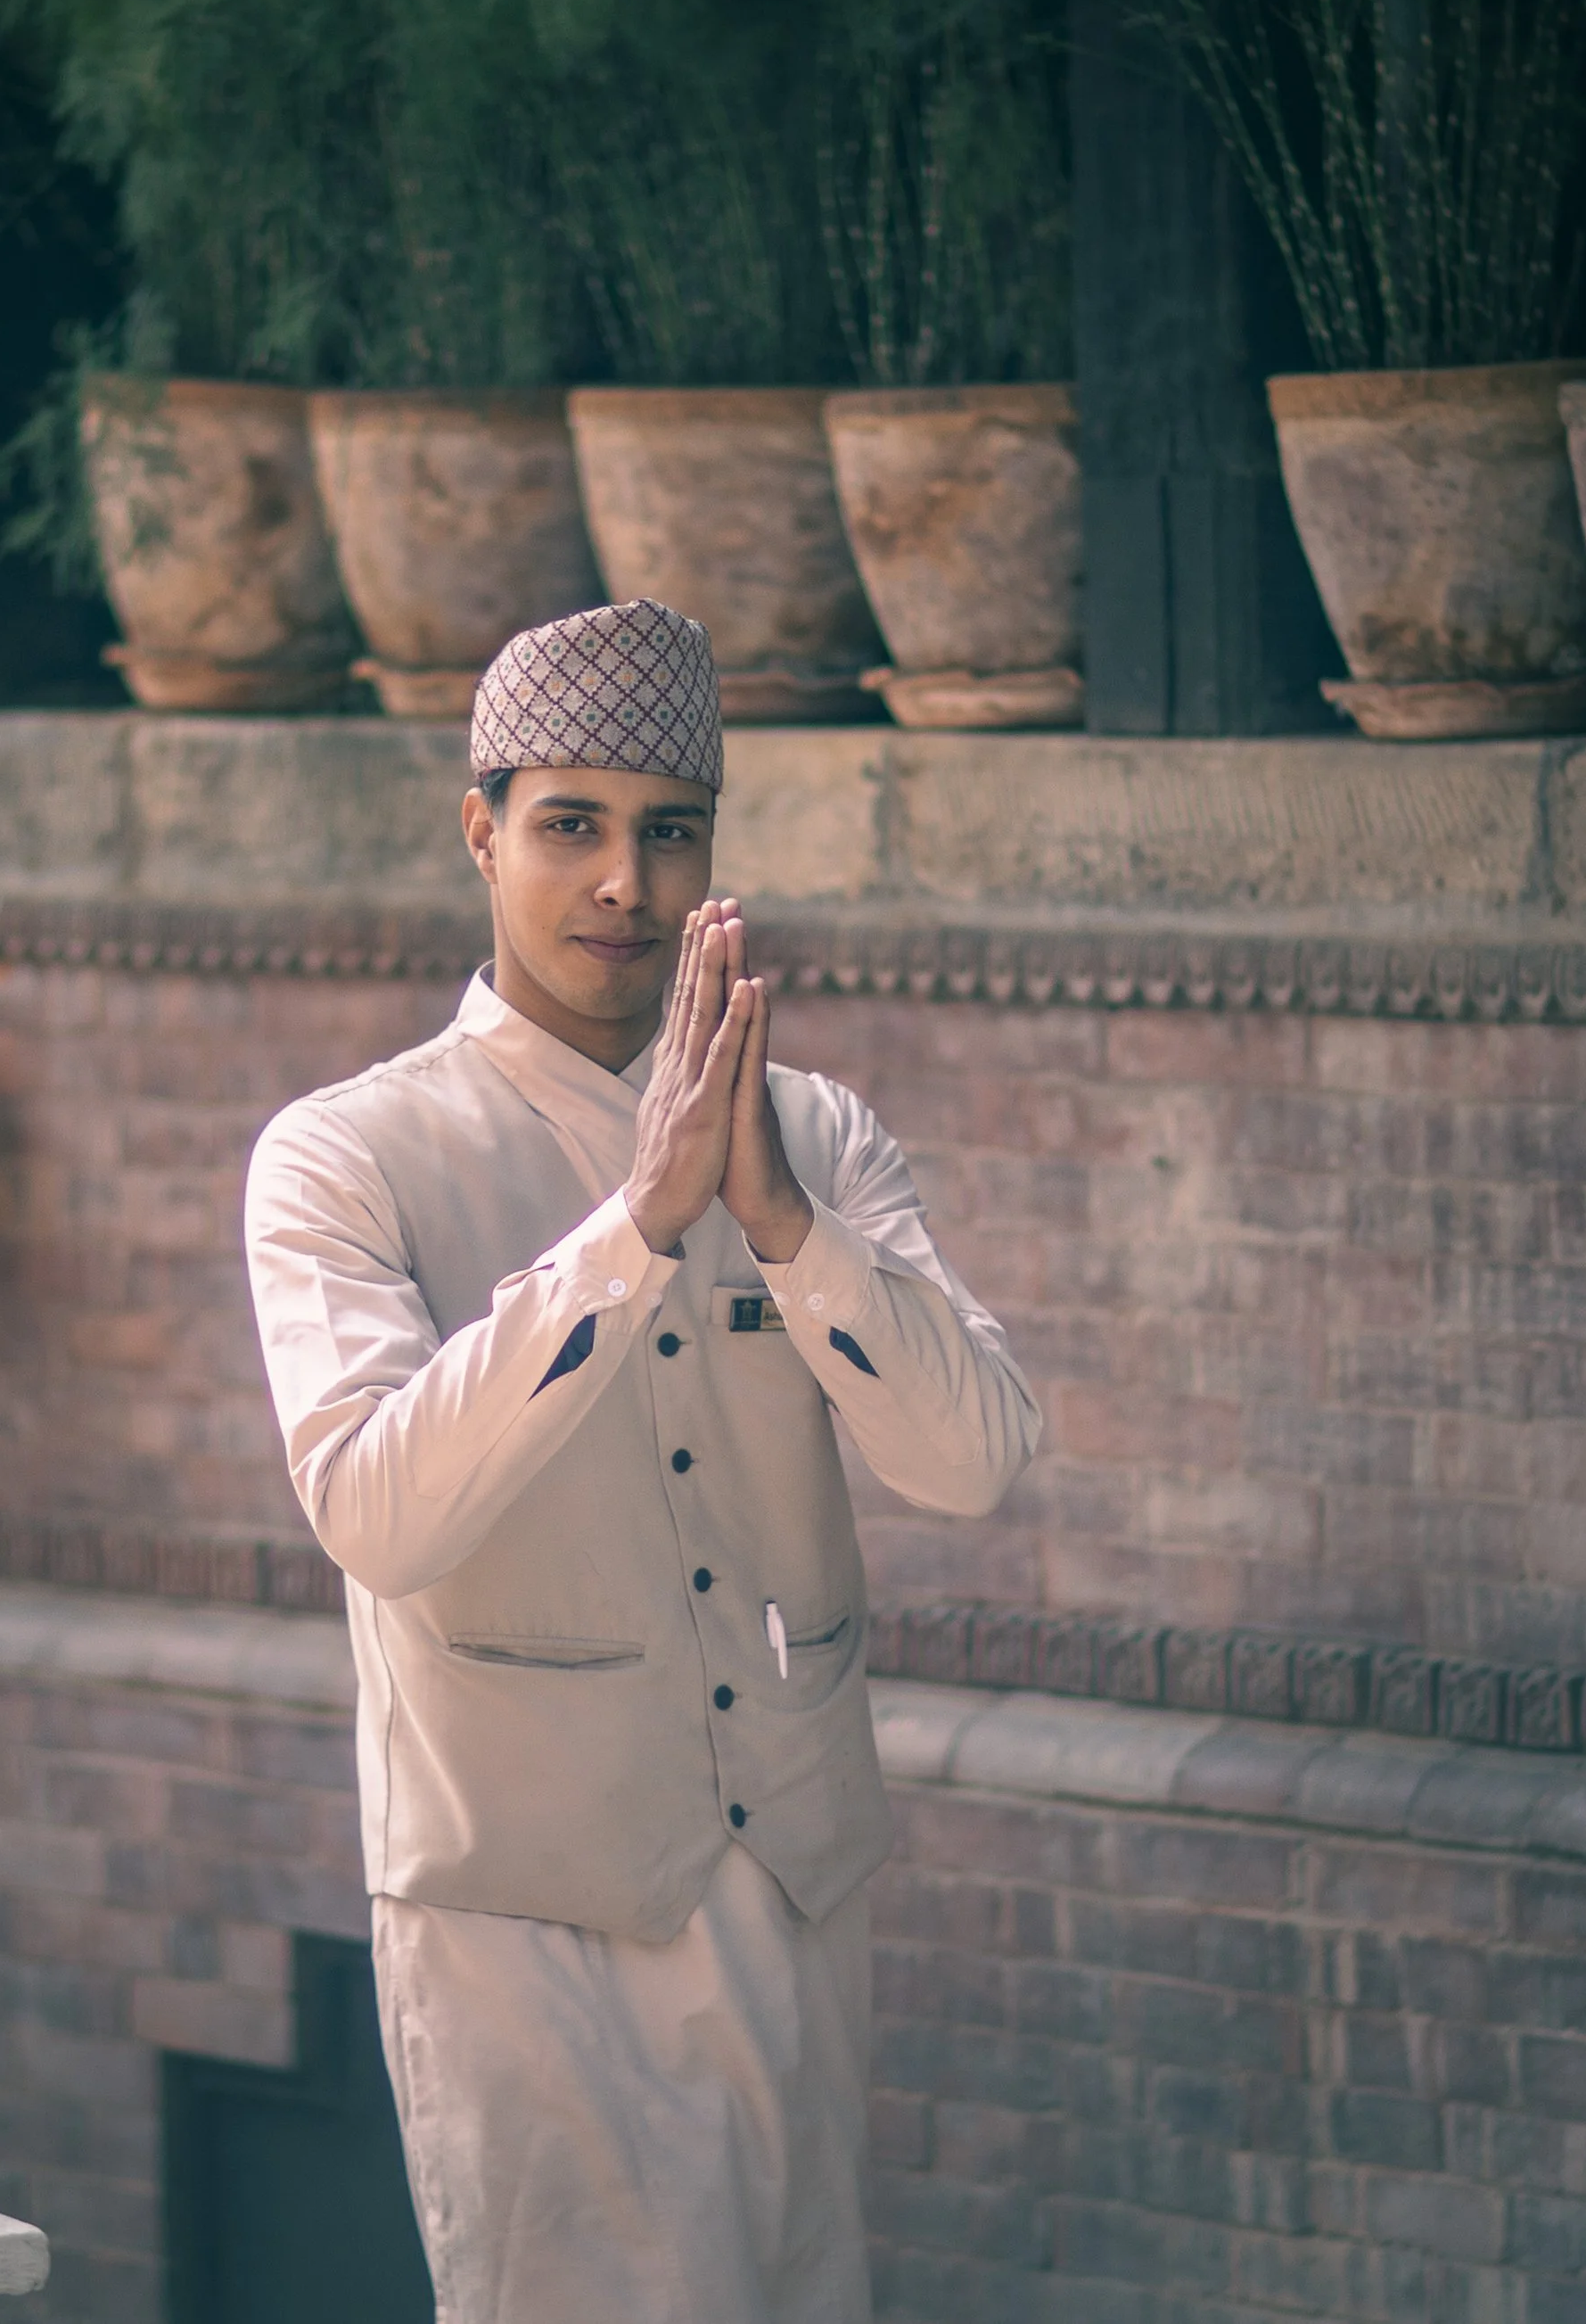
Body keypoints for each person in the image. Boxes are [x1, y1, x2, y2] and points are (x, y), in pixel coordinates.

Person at [243, 597, 1041, 2324]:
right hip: (528, 1924)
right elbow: (377, 1507)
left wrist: (774, 1219)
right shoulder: (343, 1158)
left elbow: (976, 1456)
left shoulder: (814, 1132)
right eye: (571, 826)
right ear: (482, 831)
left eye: (668, 831)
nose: (625, 882)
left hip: (794, 1886)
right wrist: (634, 1229)